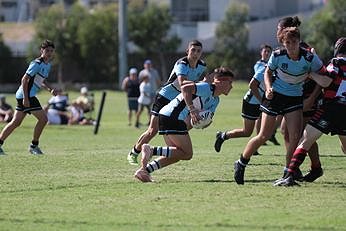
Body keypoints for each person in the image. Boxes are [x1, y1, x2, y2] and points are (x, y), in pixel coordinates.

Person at [233, 27, 331, 185]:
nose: (292, 46)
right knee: (263, 135)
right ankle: (241, 162)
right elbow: (267, 72)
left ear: (299, 41)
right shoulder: (278, 55)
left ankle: (288, 173)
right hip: (275, 97)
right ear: (283, 43)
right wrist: (269, 87)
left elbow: (325, 79)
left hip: (294, 99)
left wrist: (312, 90)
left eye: (294, 42)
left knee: (294, 137)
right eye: (288, 43)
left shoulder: (310, 58)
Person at [134, 67, 234, 182]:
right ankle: (151, 150)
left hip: (168, 116)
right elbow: (185, 88)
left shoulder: (215, 101)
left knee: (176, 155)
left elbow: (205, 119)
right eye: (230, 82)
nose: (231, 86)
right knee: (187, 154)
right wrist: (192, 110)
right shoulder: (207, 88)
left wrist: (203, 123)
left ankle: (144, 171)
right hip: (172, 116)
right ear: (220, 81)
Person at [274, 37, 345, 186]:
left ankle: (289, 176)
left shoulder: (336, 63)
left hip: (331, 108)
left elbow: (327, 81)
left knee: (305, 141)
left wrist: (309, 72)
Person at [127, 40, 207, 165]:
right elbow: (182, 85)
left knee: (183, 126)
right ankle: (134, 152)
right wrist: (197, 87)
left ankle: (168, 152)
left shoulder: (202, 65)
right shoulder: (182, 64)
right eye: (193, 50)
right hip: (164, 97)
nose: (195, 53)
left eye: (198, 51)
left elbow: (202, 81)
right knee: (152, 130)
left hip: (179, 100)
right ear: (187, 51)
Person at [214, 44, 279, 155]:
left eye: (270, 51)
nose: (268, 53)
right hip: (252, 102)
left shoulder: (278, 69)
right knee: (247, 132)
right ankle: (223, 136)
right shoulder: (262, 67)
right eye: (266, 51)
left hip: (263, 102)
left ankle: (255, 148)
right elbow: (252, 85)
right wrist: (261, 100)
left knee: (264, 129)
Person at [0, 39, 57, 155]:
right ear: (42, 50)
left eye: (51, 51)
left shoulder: (47, 65)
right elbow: (24, 79)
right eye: (47, 50)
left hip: (24, 96)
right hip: (27, 96)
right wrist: (26, 98)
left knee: (15, 122)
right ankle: (34, 146)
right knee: (43, 119)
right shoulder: (36, 63)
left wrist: (50, 89)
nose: (49, 53)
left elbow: (41, 80)